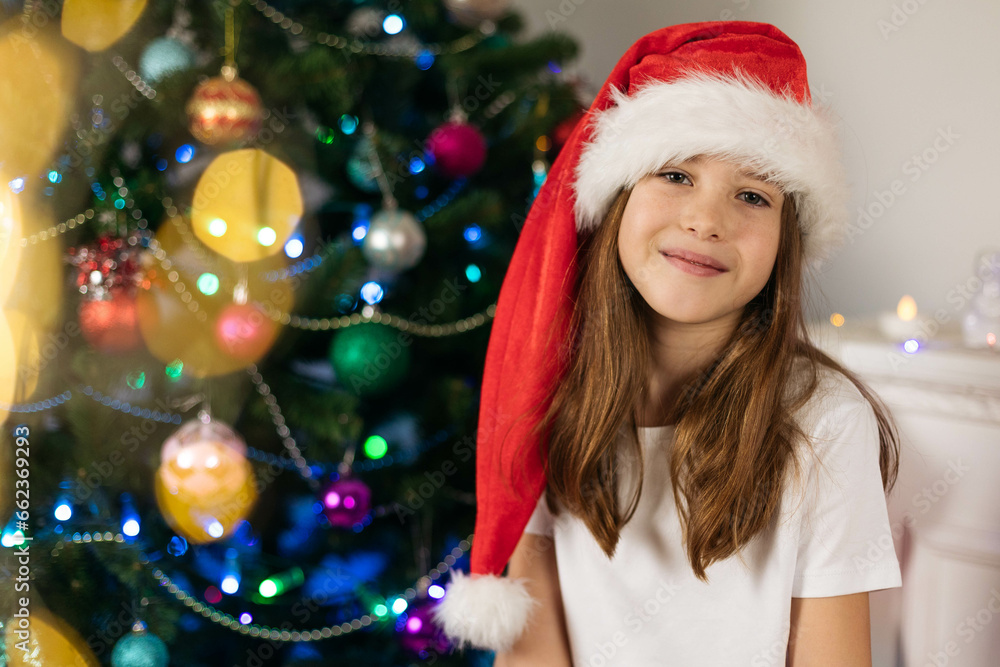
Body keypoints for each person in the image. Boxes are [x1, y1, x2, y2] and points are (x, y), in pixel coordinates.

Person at [431, 20, 902, 666]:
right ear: (616, 201)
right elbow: (533, 649)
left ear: (786, 239)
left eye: (751, 194)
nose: (707, 219)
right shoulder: (551, 392)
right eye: (676, 176)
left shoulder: (827, 424)